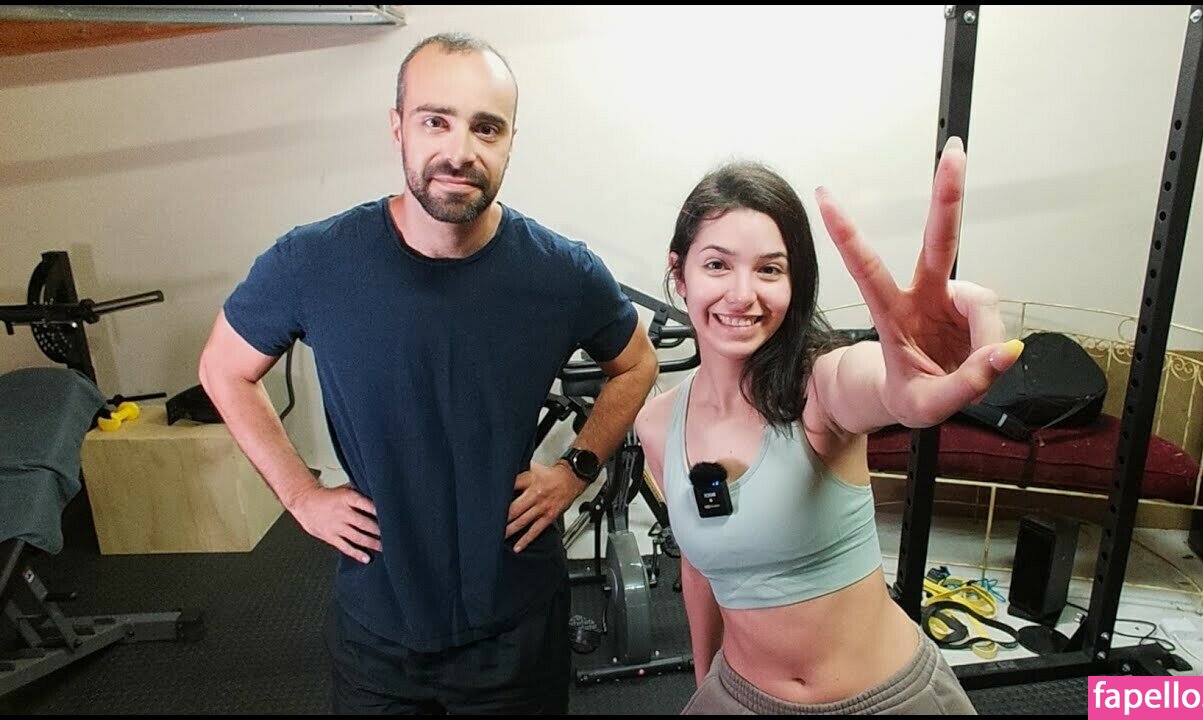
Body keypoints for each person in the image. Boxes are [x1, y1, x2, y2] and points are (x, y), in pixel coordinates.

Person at [198, 33, 657, 714]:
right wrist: (299, 494)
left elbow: (637, 363)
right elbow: (223, 369)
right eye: (435, 121)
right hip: (379, 622)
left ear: (510, 142)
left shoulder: (561, 272)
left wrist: (576, 469)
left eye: (486, 128)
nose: (460, 150)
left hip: (515, 619)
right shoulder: (313, 262)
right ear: (398, 129)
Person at [633, 138, 1021, 715]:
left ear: (795, 283)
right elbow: (698, 565)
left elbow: (873, 383)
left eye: (769, 269)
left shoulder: (819, 386)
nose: (742, 294)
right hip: (740, 695)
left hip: (885, 700)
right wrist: (704, 680)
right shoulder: (659, 424)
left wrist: (906, 384)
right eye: (717, 265)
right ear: (680, 274)